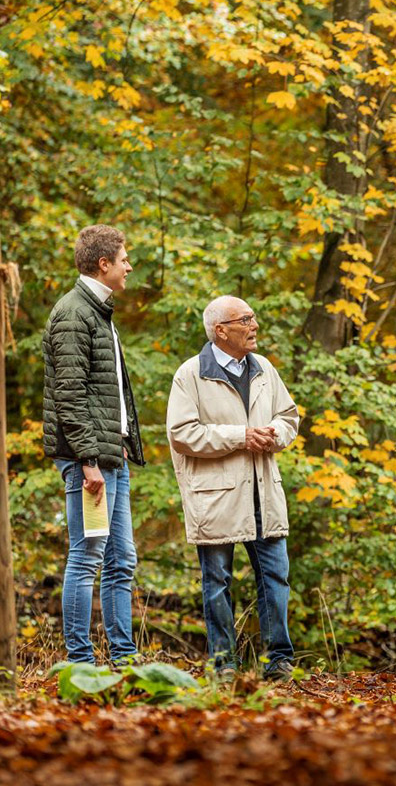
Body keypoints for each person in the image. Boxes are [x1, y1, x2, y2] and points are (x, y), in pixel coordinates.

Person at [167, 296, 300, 680]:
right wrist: (241, 436)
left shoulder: (266, 369)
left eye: (253, 317)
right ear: (220, 330)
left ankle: (279, 662)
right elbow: (182, 433)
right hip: (217, 498)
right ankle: (224, 665)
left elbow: (288, 416)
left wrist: (273, 434)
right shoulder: (190, 374)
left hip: (264, 493)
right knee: (216, 584)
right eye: (246, 319)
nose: (255, 325)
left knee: (276, 578)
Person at [42, 224, 146, 665]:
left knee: (122, 559)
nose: (128, 266)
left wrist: (118, 441)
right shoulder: (73, 314)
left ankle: (123, 657)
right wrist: (87, 460)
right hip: (89, 463)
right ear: (103, 263)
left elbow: (106, 392)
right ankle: (80, 663)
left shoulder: (99, 312)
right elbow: (70, 394)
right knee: (87, 559)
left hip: (109, 455)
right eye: (123, 258)